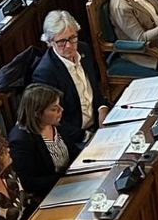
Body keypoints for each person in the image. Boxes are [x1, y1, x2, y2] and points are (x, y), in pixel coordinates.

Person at [30, 11, 104, 150]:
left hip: (98, 125)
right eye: (61, 42)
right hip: (76, 139)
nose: (69, 46)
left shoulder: (83, 49)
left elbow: (96, 88)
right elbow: (54, 121)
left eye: (72, 38)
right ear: (49, 43)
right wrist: (87, 136)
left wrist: (102, 108)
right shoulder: (45, 73)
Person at [8, 85, 72, 197]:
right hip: (49, 194)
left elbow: (73, 150)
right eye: (54, 109)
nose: (61, 110)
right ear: (37, 113)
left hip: (69, 182)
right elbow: (29, 183)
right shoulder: (20, 141)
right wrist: (67, 177)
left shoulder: (52, 123)